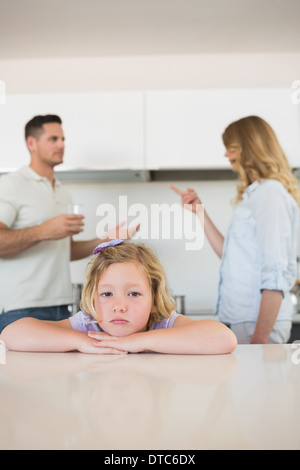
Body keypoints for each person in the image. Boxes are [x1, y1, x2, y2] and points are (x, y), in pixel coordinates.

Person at [0, 115, 137, 333]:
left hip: (61, 306)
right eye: (53, 139)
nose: (61, 145)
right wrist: (44, 231)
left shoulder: (63, 193)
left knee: (62, 369)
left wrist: (106, 240)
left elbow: (67, 250)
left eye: (63, 139)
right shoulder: (10, 185)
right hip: (20, 308)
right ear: (31, 143)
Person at [171, 115, 300, 344]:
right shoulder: (255, 195)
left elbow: (276, 275)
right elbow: (229, 255)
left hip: (256, 325)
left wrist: (259, 343)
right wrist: (199, 211)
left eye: (231, 148)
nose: (226, 155)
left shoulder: (270, 193)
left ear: (250, 149)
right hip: (242, 321)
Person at [0, 239, 237, 355]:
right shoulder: (89, 327)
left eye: (134, 293)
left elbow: (224, 338)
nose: (119, 306)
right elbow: (12, 334)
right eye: (106, 294)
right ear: (93, 300)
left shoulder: (161, 324)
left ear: (154, 300)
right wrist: (82, 342)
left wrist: (139, 342)